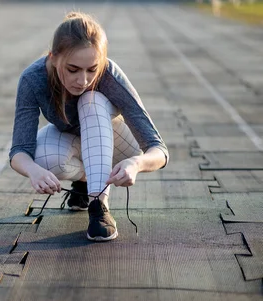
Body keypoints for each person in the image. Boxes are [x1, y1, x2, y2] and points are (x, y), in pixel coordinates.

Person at [9, 12, 169, 242]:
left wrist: (136, 164)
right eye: (73, 70)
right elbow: (19, 151)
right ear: (54, 57)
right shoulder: (33, 79)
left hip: (117, 144)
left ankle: (99, 205)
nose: (83, 80)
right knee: (41, 159)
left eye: (92, 69)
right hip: (78, 145)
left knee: (90, 100)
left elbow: (158, 149)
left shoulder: (109, 75)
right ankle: (86, 183)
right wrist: (34, 172)